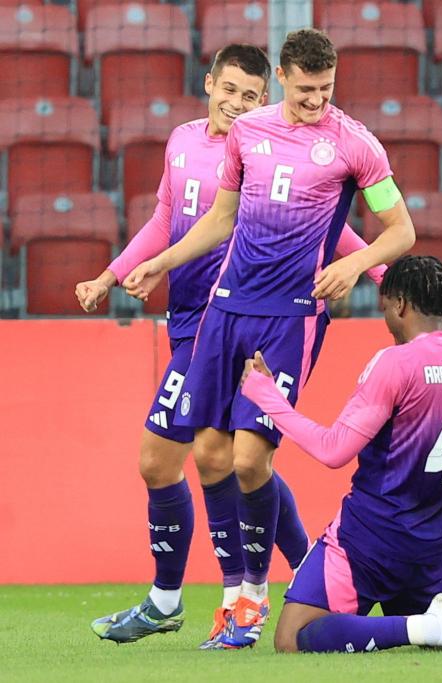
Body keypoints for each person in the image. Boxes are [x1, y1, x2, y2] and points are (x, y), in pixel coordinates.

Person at [123, 29, 415, 648]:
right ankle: (238, 597)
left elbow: (401, 231)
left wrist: (356, 266)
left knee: (252, 458)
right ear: (283, 77)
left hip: (291, 316)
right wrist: (160, 261)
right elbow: (221, 218)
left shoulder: (355, 143)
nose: (316, 101)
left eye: (326, 89)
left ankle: (253, 594)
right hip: (225, 310)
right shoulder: (249, 132)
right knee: (207, 453)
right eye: (306, 89)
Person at [240, 255, 442, 654]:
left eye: (385, 309)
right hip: (431, 551)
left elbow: (333, 451)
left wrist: (267, 398)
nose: (386, 320)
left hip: (368, 540)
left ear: (399, 305)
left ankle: (430, 627)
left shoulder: (395, 363)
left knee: (294, 637)